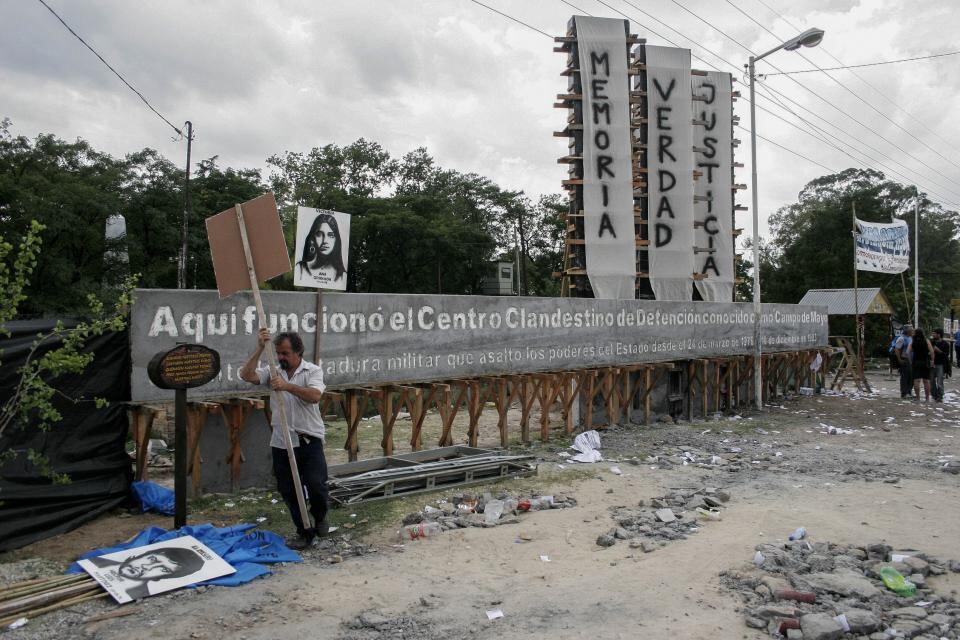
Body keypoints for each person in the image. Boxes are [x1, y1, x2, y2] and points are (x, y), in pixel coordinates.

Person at [240, 328, 329, 549]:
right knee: (289, 490)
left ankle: (320, 517)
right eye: (278, 352)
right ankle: (304, 531)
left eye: (285, 353)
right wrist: (261, 347)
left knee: (316, 485)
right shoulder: (273, 370)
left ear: (298, 352)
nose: (281, 357)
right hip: (282, 442)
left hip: (309, 440)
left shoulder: (312, 371)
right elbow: (246, 375)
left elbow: (314, 396)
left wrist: (287, 386)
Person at [86, 547, 205, 600]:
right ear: (144, 554)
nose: (145, 567)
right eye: (152, 559)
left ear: (161, 577)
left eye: (164, 569)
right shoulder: (95, 562)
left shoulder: (133, 594)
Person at [296, 212, 346, 286]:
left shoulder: (342, 275)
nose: (325, 241)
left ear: (336, 240)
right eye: (319, 234)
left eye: (331, 235)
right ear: (312, 239)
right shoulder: (300, 268)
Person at [908, 328, 934, 401]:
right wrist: (932, 360)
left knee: (916, 380)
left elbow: (908, 352)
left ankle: (918, 397)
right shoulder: (926, 341)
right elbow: (932, 351)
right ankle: (927, 398)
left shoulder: (913, 342)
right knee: (926, 380)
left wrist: (910, 360)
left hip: (916, 361)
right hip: (925, 361)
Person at [931, 328, 951, 402]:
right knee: (931, 381)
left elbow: (946, 355)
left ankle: (940, 396)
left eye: (934, 333)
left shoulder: (945, 344)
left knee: (940, 381)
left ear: (939, 334)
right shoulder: (931, 342)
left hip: (940, 364)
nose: (933, 335)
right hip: (931, 364)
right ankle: (934, 395)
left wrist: (937, 350)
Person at [894, 325, 914, 399]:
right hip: (904, 359)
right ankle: (904, 392)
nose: (912, 331)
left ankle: (909, 391)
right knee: (905, 376)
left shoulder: (910, 338)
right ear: (907, 331)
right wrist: (899, 359)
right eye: (911, 330)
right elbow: (897, 349)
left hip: (911, 359)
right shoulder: (901, 338)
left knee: (911, 376)